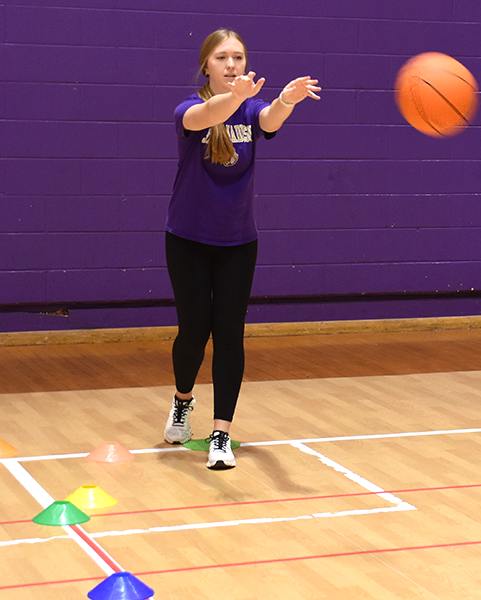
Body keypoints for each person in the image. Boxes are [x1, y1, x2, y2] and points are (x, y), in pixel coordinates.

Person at [162, 29, 320, 470]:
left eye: (238, 56)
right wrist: (236, 100)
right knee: (194, 332)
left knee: (229, 333)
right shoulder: (188, 111)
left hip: (237, 241)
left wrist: (286, 101)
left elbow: (268, 119)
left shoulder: (250, 108)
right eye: (222, 58)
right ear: (206, 66)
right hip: (188, 238)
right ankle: (182, 401)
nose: (231, 64)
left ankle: (220, 433)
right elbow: (211, 112)